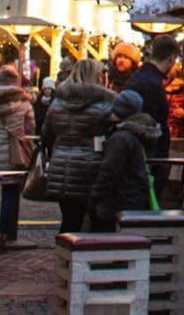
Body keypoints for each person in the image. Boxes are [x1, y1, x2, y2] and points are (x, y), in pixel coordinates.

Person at [42, 57, 118, 235]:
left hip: (61, 167)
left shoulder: (57, 103)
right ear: (97, 77)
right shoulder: (106, 105)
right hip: (91, 168)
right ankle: (86, 260)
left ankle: (63, 259)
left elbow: (46, 135)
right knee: (95, 222)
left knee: (69, 221)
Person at [0, 66, 36, 249]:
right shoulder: (24, 102)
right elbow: (30, 127)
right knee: (10, 195)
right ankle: (4, 234)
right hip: (14, 154)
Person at [89, 90, 159, 230]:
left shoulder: (121, 139)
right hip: (135, 199)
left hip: (118, 201)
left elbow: (108, 172)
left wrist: (93, 200)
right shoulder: (142, 134)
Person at [127, 35, 180, 184]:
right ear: (171, 58)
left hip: (140, 154)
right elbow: (152, 123)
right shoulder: (152, 84)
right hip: (147, 157)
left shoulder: (140, 77)